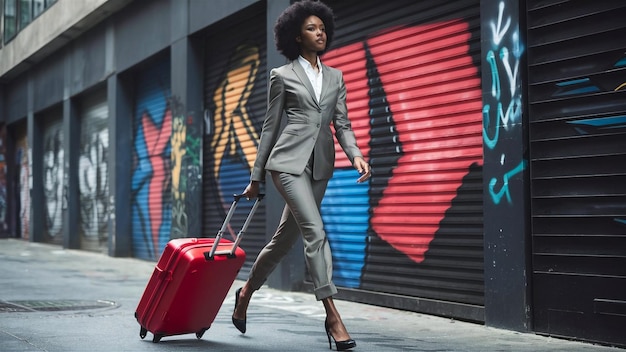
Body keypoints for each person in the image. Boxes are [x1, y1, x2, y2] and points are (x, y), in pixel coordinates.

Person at [233, 0, 370, 350]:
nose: (320, 32)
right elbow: (268, 128)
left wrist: (355, 155)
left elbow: (343, 123)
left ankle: (246, 291)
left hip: (321, 165)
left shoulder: (336, 77)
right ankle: (333, 316)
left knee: (284, 240)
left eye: (322, 27)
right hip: (287, 164)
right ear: (296, 36)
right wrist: (256, 176)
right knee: (314, 230)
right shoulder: (282, 76)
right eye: (312, 28)